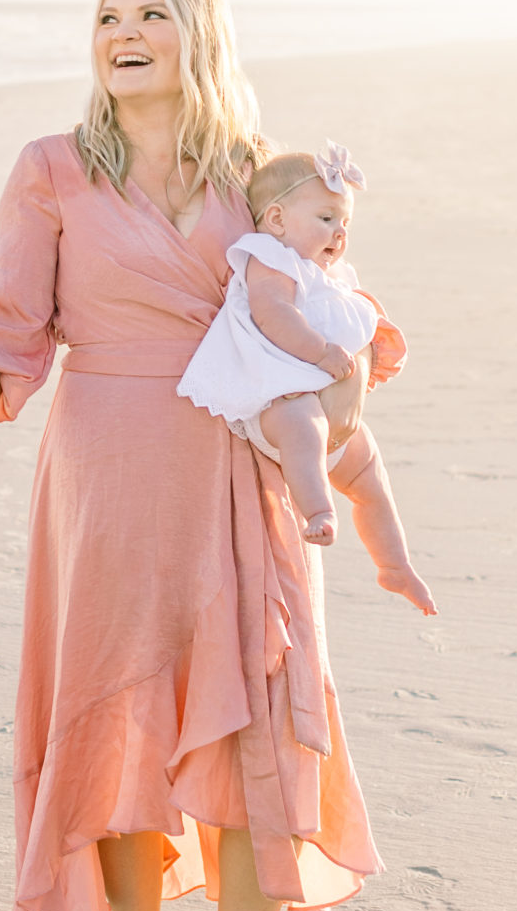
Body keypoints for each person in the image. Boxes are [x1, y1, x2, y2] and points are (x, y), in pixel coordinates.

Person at [0, 0, 388, 911]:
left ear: (198, 35)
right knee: (122, 706)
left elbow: (329, 286)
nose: (123, 32)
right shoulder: (53, 169)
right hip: (114, 466)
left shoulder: (252, 175)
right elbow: (3, 326)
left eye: (151, 15)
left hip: (245, 467)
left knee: (265, 710)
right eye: (107, 16)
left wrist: (344, 381)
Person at [178, 144, 436, 611]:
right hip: (281, 404)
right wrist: (320, 352)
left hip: (336, 420)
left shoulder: (329, 274)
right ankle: (317, 509)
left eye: (345, 224)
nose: (339, 233)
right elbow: (272, 313)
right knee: (304, 425)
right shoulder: (269, 257)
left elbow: (355, 319)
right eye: (326, 219)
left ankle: (395, 564)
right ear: (276, 220)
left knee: (371, 479)